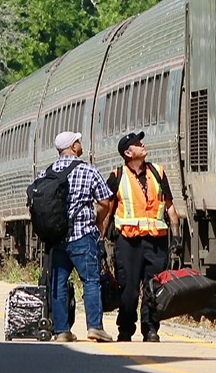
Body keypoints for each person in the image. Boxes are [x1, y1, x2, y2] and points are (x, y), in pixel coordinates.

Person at [37, 131, 113, 343]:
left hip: (57, 239)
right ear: (72, 147)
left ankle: (62, 330)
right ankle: (95, 327)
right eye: (78, 141)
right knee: (90, 281)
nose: (81, 144)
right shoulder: (87, 170)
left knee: (59, 283)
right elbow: (105, 201)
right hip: (82, 236)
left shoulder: (46, 173)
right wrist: (98, 221)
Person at [106, 131, 179, 343]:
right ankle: (126, 328)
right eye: (138, 143)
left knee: (153, 289)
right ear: (128, 152)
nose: (142, 144)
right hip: (128, 243)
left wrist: (176, 237)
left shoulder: (158, 173)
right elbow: (107, 211)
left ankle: (150, 329)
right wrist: (100, 240)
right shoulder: (117, 176)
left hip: (156, 241)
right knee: (128, 290)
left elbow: (170, 207)